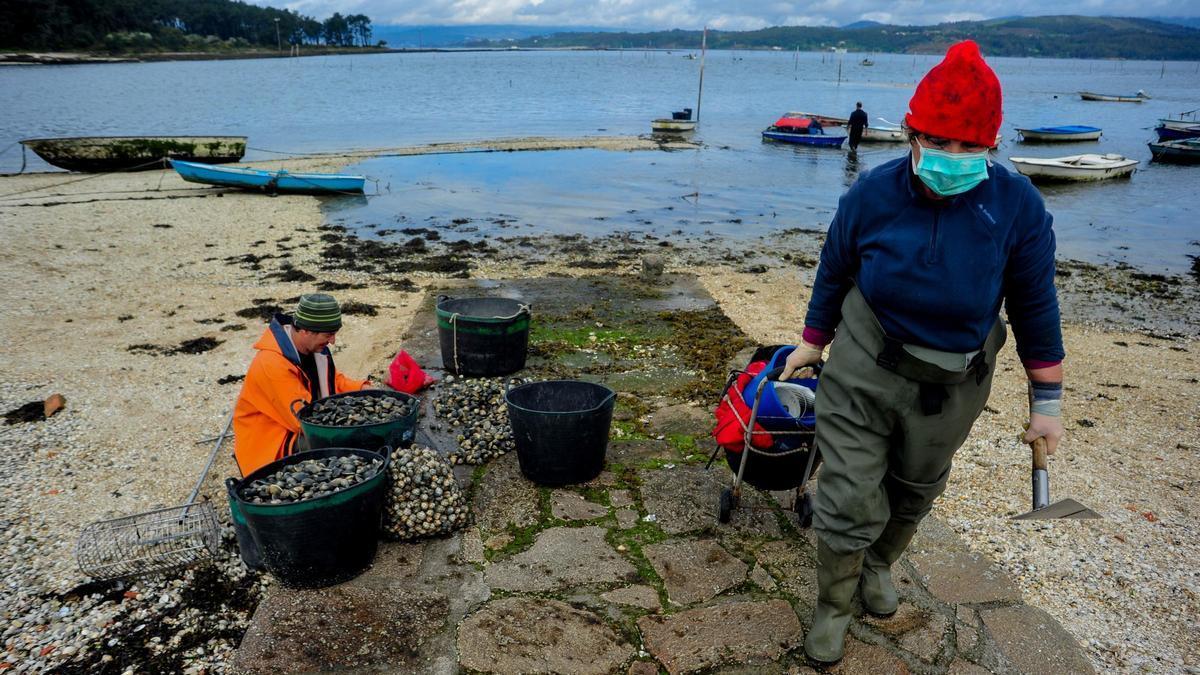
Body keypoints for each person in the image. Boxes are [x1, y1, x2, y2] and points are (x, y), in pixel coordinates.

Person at [778, 40, 1064, 664]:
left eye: (969, 147)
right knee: (849, 492)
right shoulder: (871, 196)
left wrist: (1047, 401)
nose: (951, 158)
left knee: (917, 488)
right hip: (863, 365)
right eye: (938, 141)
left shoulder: (1018, 208)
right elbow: (834, 269)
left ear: (991, 146)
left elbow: (1035, 305)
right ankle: (833, 604)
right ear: (912, 134)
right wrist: (811, 341)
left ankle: (878, 565)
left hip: (954, 383)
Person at [233, 293, 371, 476]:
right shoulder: (272, 364)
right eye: (329, 334)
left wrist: (364, 390)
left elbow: (333, 381)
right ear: (306, 330)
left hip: (293, 424)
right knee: (345, 445)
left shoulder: (314, 349)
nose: (333, 341)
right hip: (270, 445)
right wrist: (354, 425)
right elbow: (303, 421)